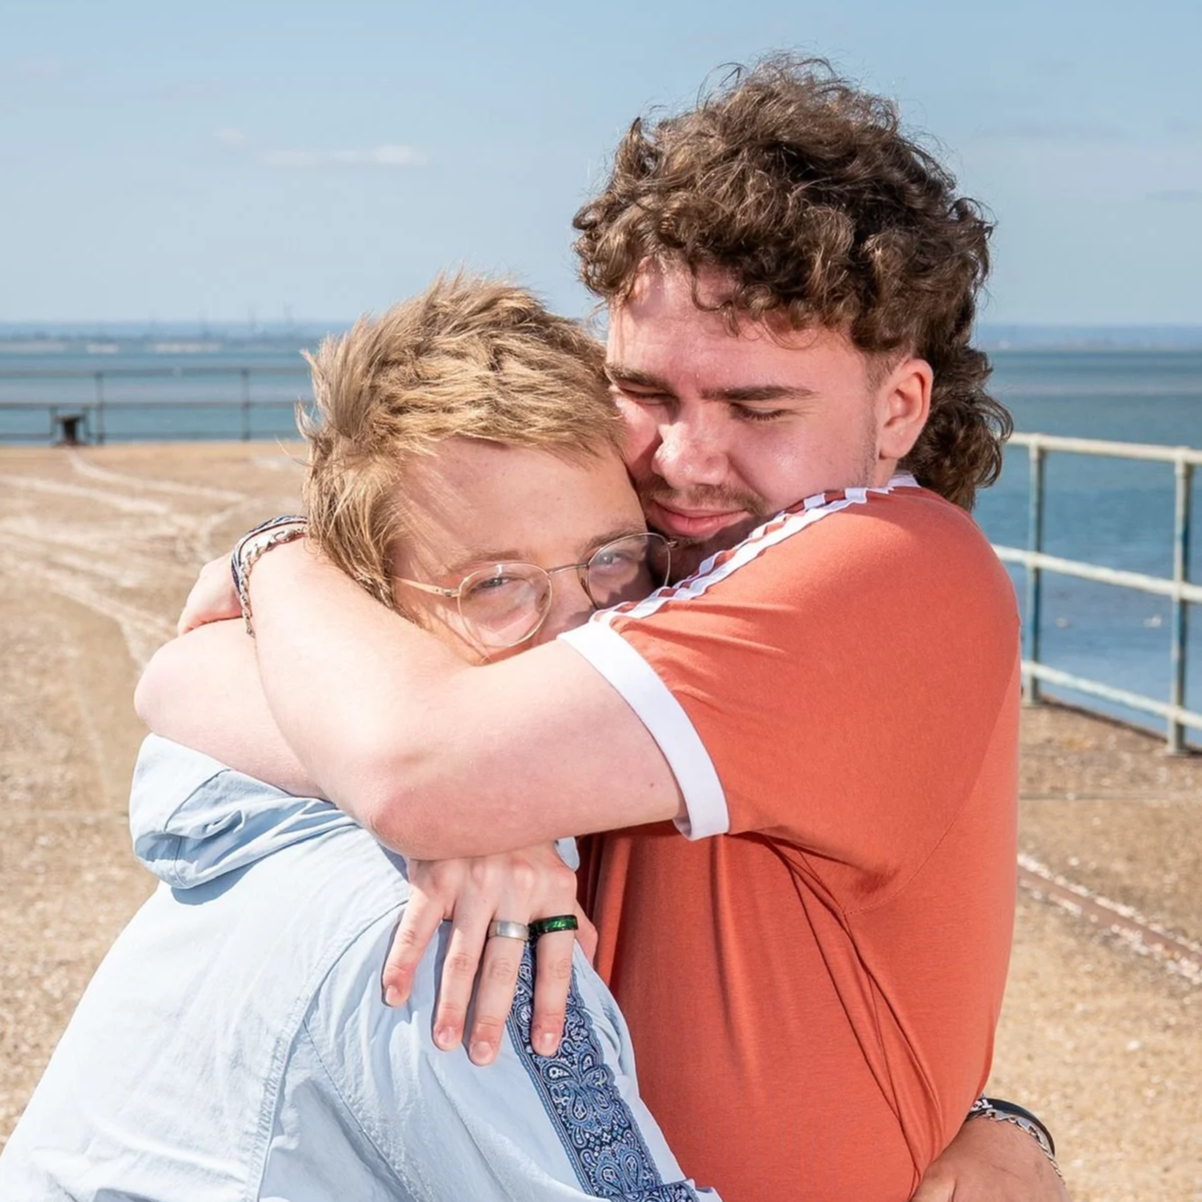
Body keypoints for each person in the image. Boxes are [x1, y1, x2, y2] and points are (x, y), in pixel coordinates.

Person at [138, 59, 1070, 1202]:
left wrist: (280, 564)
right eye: (646, 394)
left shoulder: (890, 567)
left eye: (755, 407)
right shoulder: (633, 584)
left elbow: (396, 757)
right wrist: (486, 808)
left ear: (898, 410)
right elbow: (184, 676)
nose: (682, 460)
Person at [0, 279, 723, 1202]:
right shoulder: (456, 939)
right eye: (495, 585)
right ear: (367, 616)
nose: (581, 633)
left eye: (611, 559)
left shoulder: (275, 811)